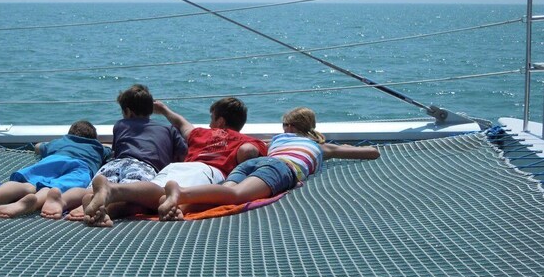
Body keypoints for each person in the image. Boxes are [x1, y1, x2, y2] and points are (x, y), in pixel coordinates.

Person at [157, 107, 381, 220]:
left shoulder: (275, 140)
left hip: (257, 163)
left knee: (224, 193)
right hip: (280, 167)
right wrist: (366, 149)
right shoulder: (321, 147)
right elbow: (371, 153)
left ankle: (181, 207)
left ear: (290, 127)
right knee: (236, 197)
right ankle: (182, 193)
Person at [83, 97, 267, 227]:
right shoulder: (247, 141)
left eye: (211, 119)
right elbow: (248, 152)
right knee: (169, 196)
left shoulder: (201, 133)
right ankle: (114, 190)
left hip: (178, 168)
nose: (210, 124)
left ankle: (110, 207)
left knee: (154, 196)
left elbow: (181, 123)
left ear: (220, 121)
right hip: (208, 171)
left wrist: (163, 109)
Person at [58, 84, 188, 220]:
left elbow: (118, 149)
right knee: (130, 195)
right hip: (143, 166)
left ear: (127, 112)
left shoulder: (120, 125)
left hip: (115, 164)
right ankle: (108, 208)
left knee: (93, 190)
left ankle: (65, 201)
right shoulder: (168, 129)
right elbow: (183, 155)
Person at [0, 120, 111, 218]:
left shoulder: (59, 142)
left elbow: (38, 147)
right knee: (54, 189)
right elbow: (111, 150)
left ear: (69, 134)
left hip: (53, 160)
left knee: (27, 185)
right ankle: (34, 202)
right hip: (80, 166)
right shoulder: (97, 147)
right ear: (94, 138)